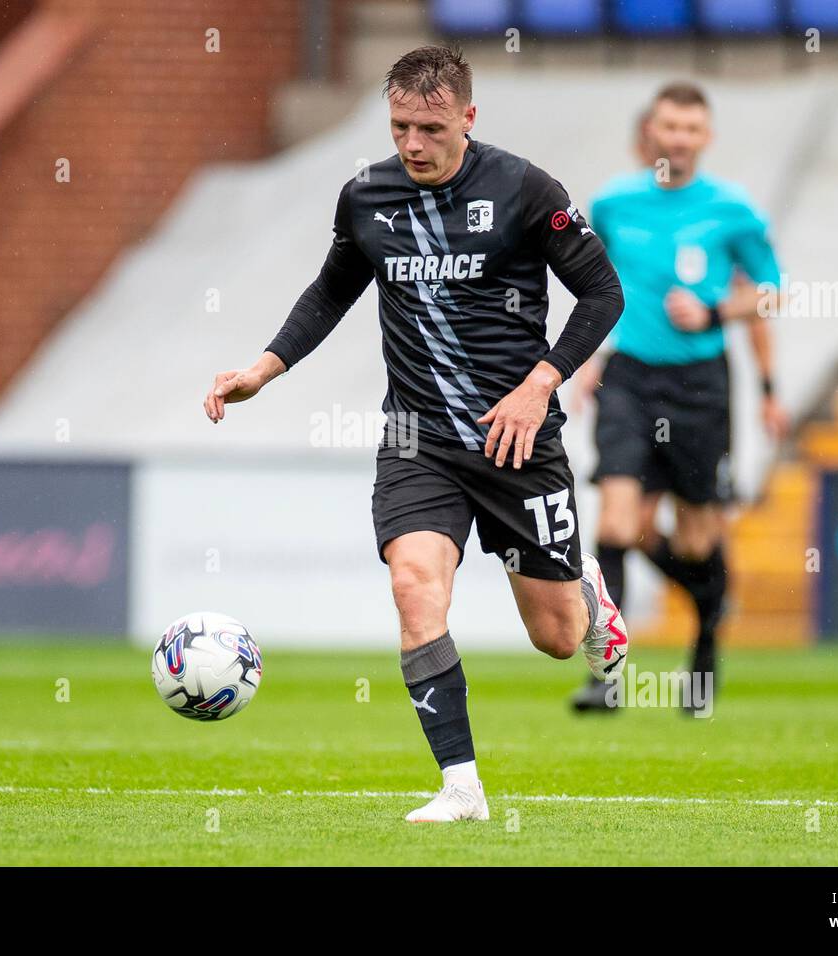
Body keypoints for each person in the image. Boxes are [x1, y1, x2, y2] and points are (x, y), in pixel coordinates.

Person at [203, 46, 627, 821]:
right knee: (413, 587)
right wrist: (266, 367)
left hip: (516, 441)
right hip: (417, 440)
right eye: (399, 126)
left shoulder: (526, 190)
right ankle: (461, 788)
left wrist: (542, 382)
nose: (412, 144)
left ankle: (586, 592)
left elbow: (603, 293)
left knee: (559, 638)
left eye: (430, 127)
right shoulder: (367, 196)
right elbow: (332, 288)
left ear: (468, 117)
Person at [570, 82, 786, 715]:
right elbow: (594, 287)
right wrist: (586, 358)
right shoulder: (612, 203)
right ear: (651, 132)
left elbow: (772, 292)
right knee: (617, 523)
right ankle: (605, 675)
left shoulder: (732, 210)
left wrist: (717, 310)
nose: (679, 139)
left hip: (701, 385)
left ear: (706, 137)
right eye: (669, 127)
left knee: (695, 539)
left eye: (692, 129)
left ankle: (707, 635)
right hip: (630, 379)